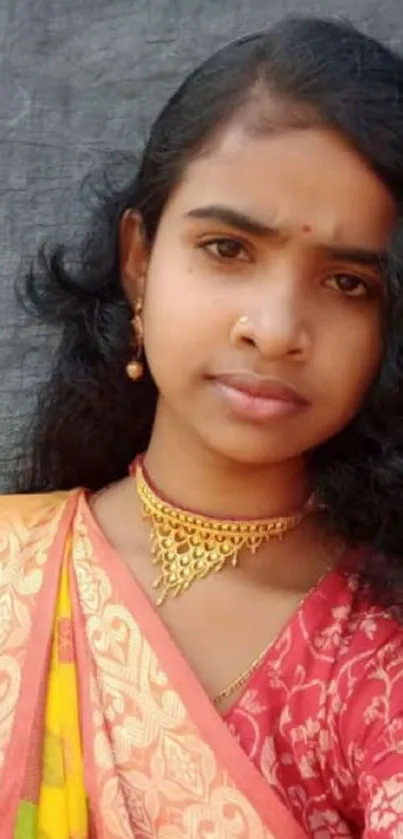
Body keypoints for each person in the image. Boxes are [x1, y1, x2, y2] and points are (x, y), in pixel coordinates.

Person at [2, 14, 403, 839]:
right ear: (139, 261)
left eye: (346, 283)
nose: (275, 326)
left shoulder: (372, 658)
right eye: (227, 249)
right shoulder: (14, 571)